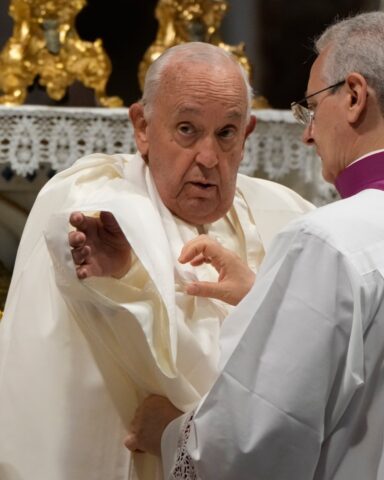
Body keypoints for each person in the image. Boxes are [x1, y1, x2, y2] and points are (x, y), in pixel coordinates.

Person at [126, 12, 384, 479]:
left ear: (353, 96)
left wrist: (168, 434)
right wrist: (266, 298)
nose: (307, 133)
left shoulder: (329, 241)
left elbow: (251, 446)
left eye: (310, 107)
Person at [0, 42, 313, 480]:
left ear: (247, 134)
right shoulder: (100, 199)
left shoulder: (290, 215)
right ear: (142, 127)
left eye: (226, 133)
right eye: (187, 129)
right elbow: (72, 250)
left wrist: (259, 296)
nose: (208, 158)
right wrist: (122, 274)